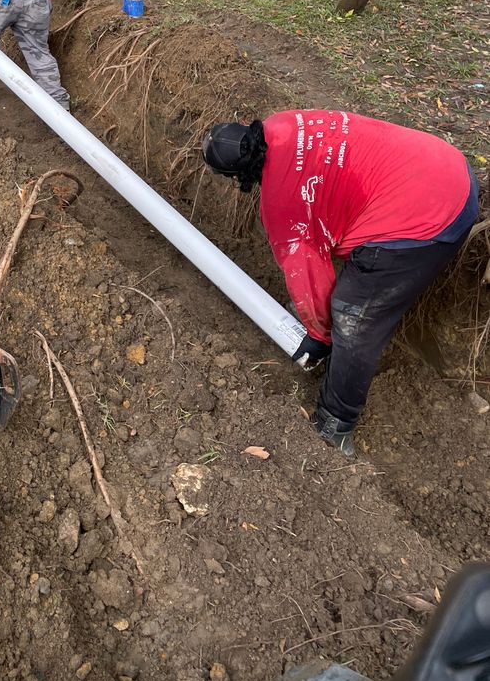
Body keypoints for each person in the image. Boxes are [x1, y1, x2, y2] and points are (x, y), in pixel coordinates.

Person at [202, 110, 479, 457]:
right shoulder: (284, 124)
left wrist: (319, 336)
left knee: (352, 316)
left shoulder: (280, 205)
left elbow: (310, 275)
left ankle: (335, 424)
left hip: (427, 220)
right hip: (445, 167)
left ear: (236, 175)